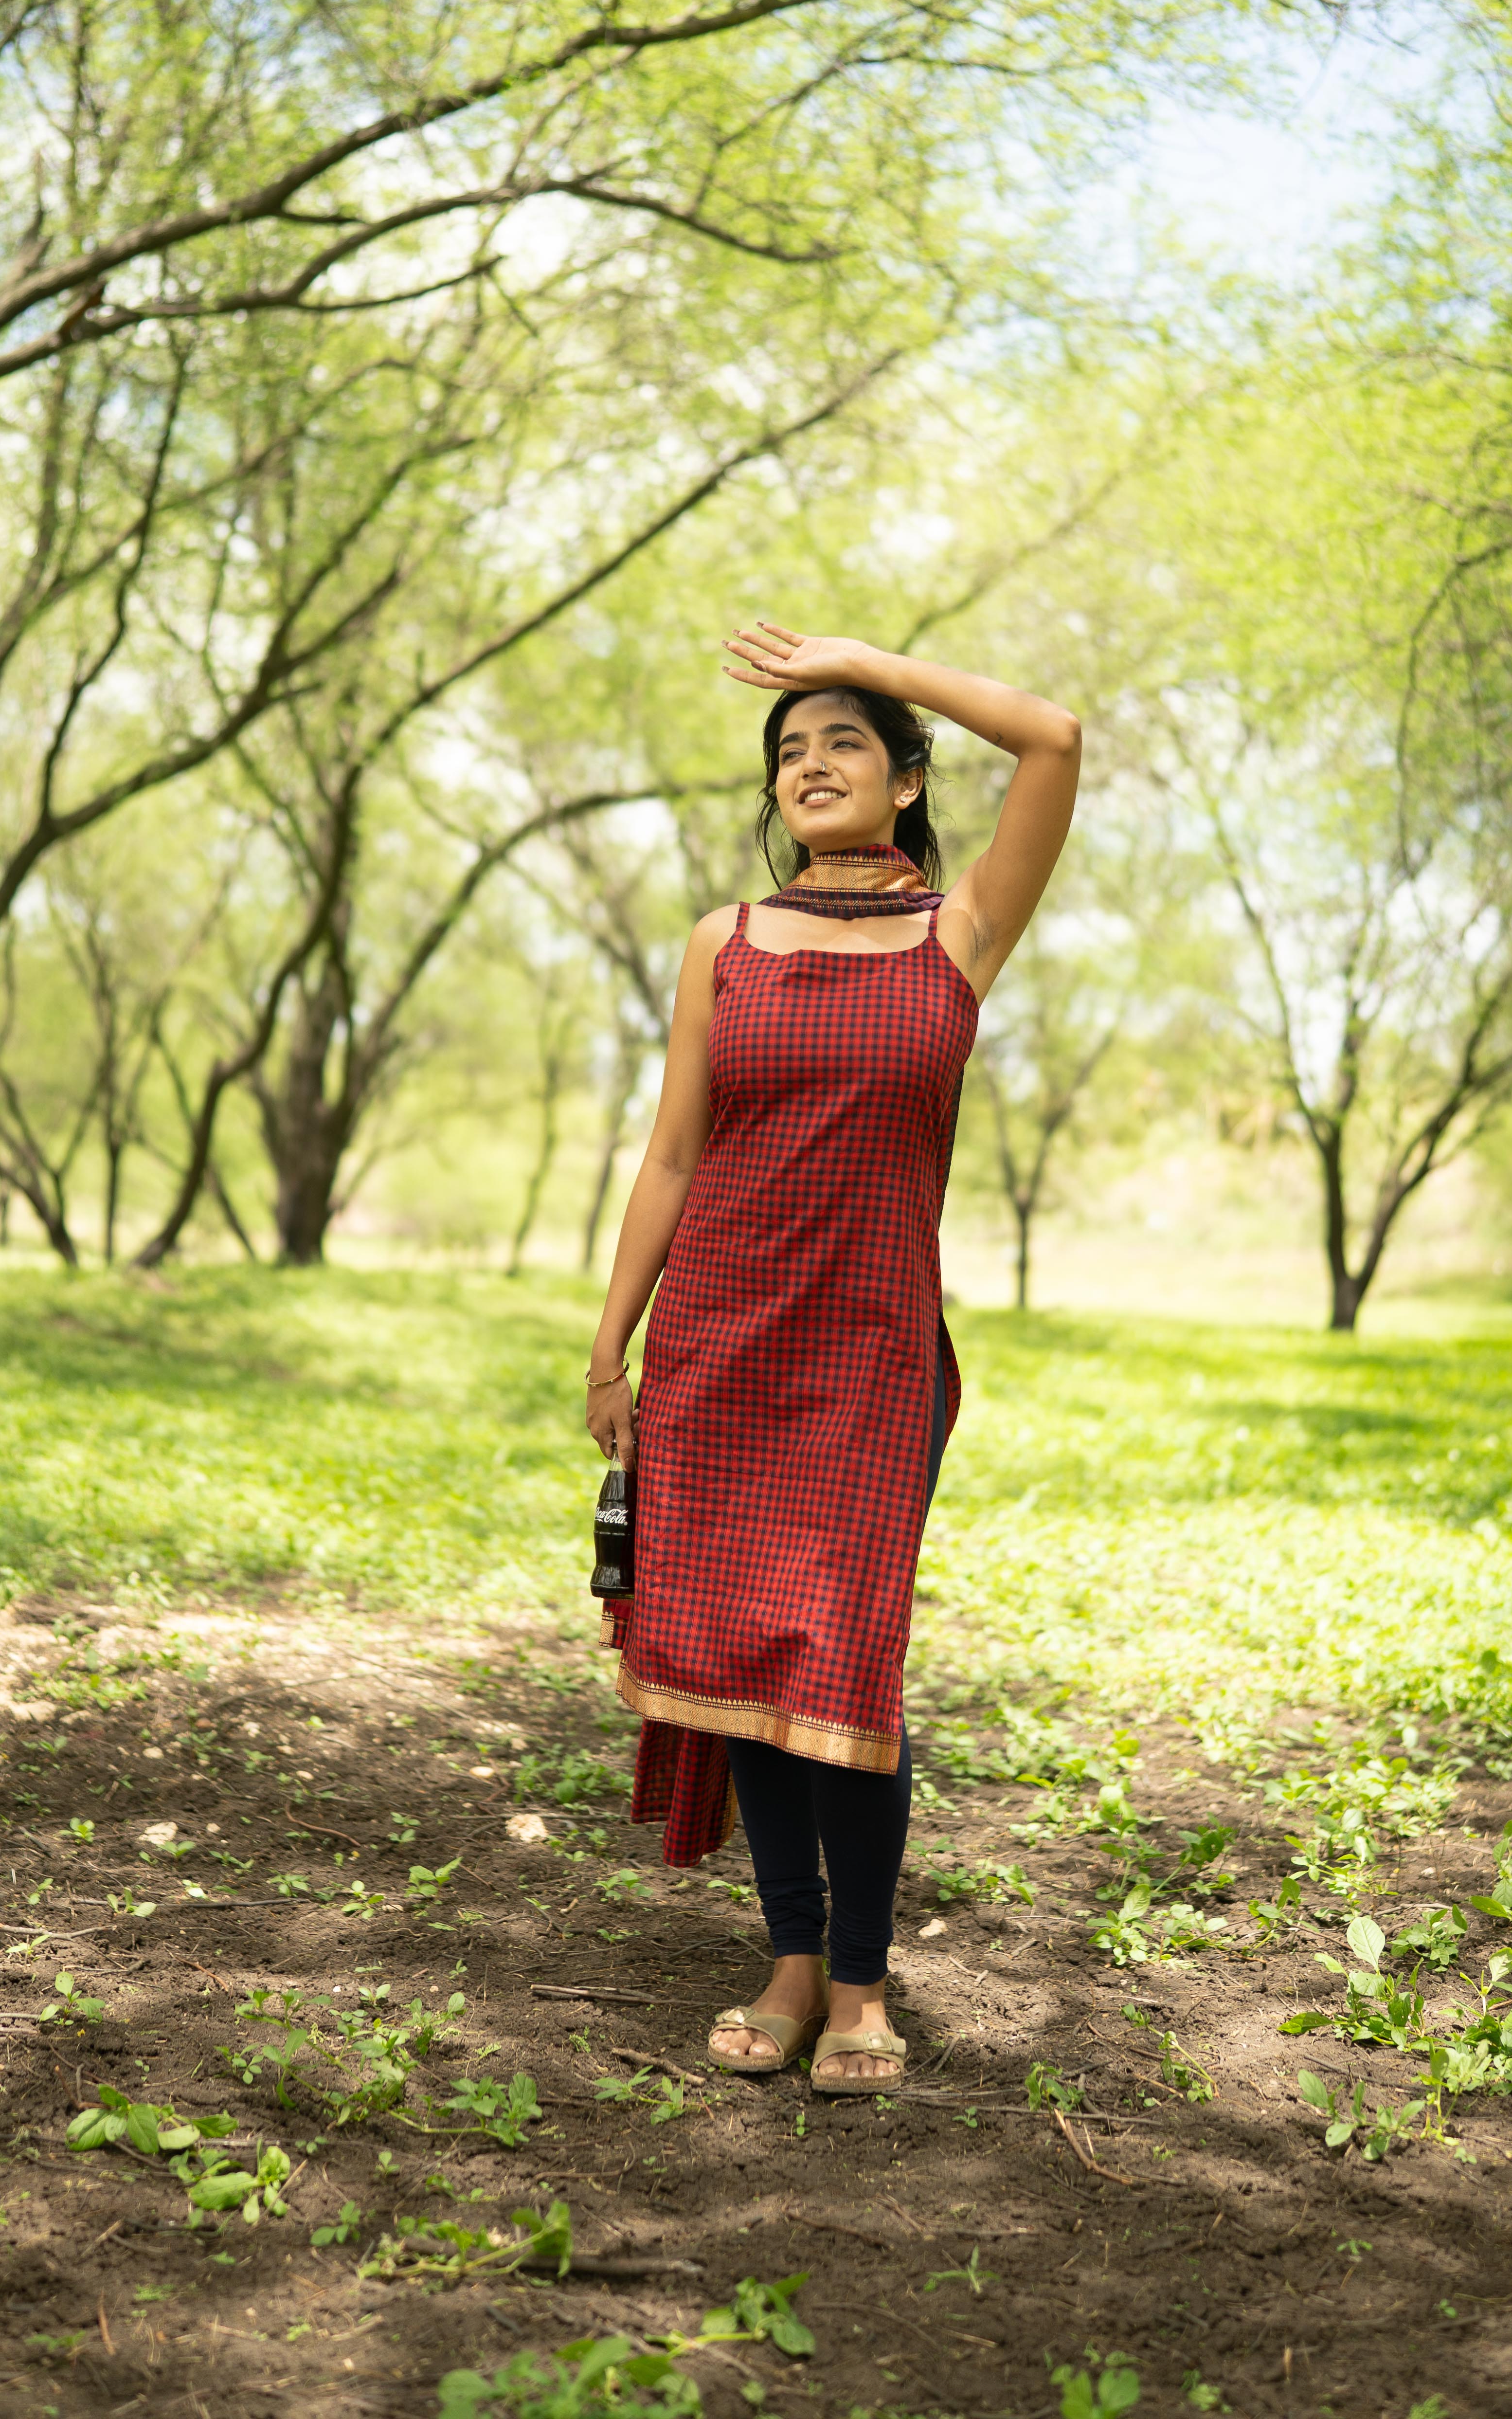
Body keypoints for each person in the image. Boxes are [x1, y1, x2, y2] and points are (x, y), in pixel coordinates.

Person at [585, 621, 1080, 2093]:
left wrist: (880, 662)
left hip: (872, 1359)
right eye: (789, 750)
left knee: (844, 1653)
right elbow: (674, 1154)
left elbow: (1051, 736)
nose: (810, 764)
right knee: (747, 1650)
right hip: (721, 1347)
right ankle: (792, 1966)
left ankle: (863, 1986)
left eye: (844, 742)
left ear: (911, 778)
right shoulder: (721, 946)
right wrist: (613, 1347)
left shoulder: (962, 930)